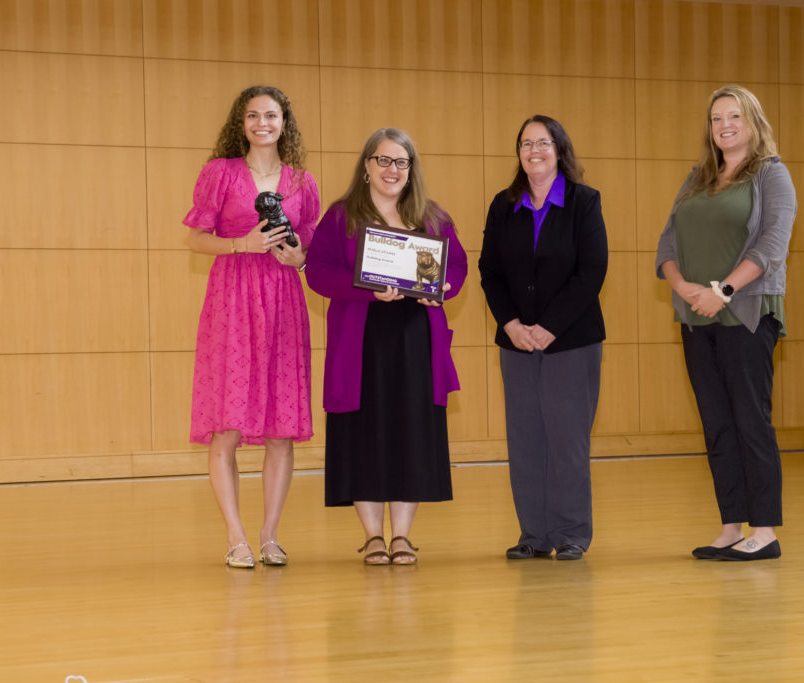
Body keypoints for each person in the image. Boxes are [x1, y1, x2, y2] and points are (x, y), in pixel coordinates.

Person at [304, 128, 467, 566]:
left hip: (415, 341)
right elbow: (317, 272)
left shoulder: (432, 217)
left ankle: (403, 537)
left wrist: (444, 288)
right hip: (361, 341)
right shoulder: (342, 217)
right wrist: (366, 289)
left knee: (409, 432)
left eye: (401, 162)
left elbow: (458, 267)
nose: (392, 170)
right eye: (384, 160)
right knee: (363, 434)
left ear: (411, 170)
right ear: (366, 167)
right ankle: (373, 535)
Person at [655, 85, 796, 561]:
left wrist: (724, 291)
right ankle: (731, 526)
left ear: (752, 121)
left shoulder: (771, 175)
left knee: (750, 421)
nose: (724, 125)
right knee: (716, 425)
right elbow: (668, 243)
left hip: (747, 314)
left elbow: (772, 245)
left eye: (734, 116)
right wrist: (682, 287)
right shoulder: (698, 177)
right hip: (696, 317)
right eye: (716, 118)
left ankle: (765, 531)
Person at [184, 85, 320, 568]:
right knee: (228, 425)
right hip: (233, 300)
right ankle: (236, 536)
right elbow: (196, 240)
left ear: (285, 122)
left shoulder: (303, 181)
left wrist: (298, 257)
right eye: (253, 116)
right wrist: (242, 245)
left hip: (283, 301)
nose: (263, 122)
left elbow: (311, 248)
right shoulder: (219, 173)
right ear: (240, 124)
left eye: (272, 114)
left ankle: (269, 535)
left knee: (281, 429)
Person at [478, 115, 608, 562]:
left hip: (571, 341)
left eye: (544, 142)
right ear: (518, 153)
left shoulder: (584, 202)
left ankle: (572, 533)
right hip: (516, 342)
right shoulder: (502, 204)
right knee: (526, 440)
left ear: (560, 149)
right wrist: (511, 323)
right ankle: (533, 534)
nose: (534, 150)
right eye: (526, 143)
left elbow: (591, 272)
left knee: (567, 440)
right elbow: (489, 272)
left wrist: (549, 327)